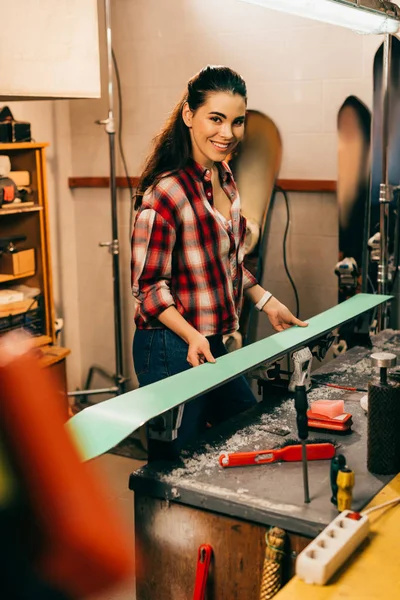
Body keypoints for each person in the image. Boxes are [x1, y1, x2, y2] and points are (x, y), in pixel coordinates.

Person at [131, 65, 307, 460]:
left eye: (237, 121)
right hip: (170, 345)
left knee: (245, 428)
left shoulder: (223, 177)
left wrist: (266, 301)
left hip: (206, 341)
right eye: (216, 118)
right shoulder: (165, 193)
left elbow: (224, 263)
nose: (227, 133)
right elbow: (148, 290)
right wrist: (191, 335)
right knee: (178, 465)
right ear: (189, 116)